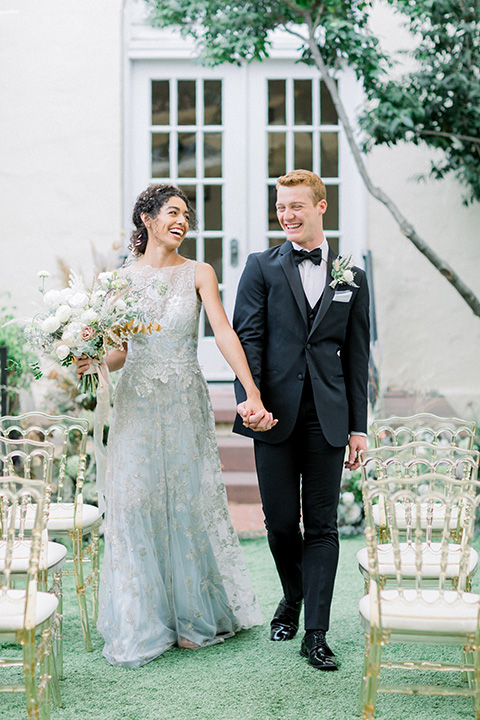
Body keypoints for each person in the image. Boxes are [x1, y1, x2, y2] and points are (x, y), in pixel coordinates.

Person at [77, 183, 276, 668]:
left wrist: (250, 391)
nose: (181, 220)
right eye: (172, 212)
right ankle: (146, 619)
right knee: (138, 499)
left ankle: (193, 617)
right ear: (146, 219)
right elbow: (122, 351)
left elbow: (223, 331)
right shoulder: (118, 282)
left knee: (187, 498)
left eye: (186, 214)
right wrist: (90, 359)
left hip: (185, 400)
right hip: (138, 405)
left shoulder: (200, 273)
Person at [232, 170, 370, 671]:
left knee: (324, 525)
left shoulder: (351, 274)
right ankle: (292, 596)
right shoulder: (260, 267)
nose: (286, 215)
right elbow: (248, 340)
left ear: (320, 207)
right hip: (272, 415)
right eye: (280, 206)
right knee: (281, 524)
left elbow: (356, 358)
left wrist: (359, 426)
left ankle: (316, 632)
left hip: (329, 417)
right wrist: (250, 400)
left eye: (296, 206)